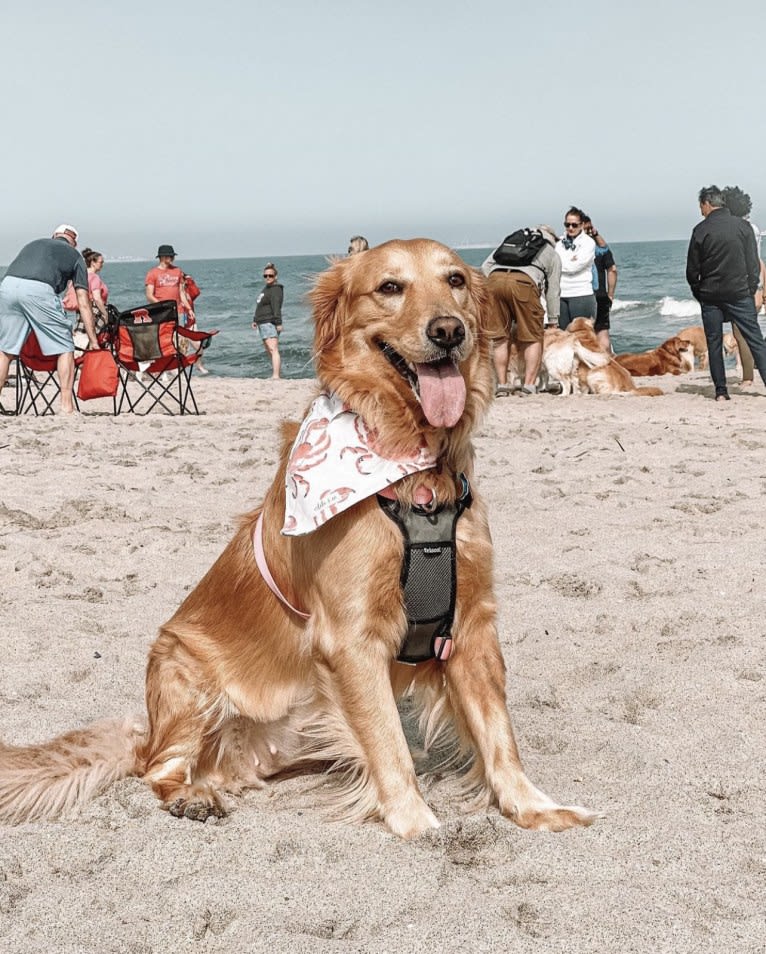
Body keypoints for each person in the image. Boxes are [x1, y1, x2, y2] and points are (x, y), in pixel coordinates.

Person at [0, 224, 99, 414]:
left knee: (5, 349)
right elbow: (83, 302)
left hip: (8, 286)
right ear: (74, 243)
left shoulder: (33, 244)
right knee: (65, 346)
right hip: (39, 290)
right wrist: (93, 340)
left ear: (54, 236)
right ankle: (66, 407)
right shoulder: (75, 256)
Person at [686, 185, 766, 402]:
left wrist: (700, 294)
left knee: (714, 342)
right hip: (739, 293)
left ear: (707, 204)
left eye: (701, 207)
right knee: (755, 339)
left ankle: (721, 391)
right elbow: (752, 264)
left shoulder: (700, 230)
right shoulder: (743, 227)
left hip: (711, 295)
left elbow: (692, 271)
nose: (701, 211)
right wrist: (749, 290)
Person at [481, 225, 561, 395]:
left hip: (494, 281)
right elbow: (553, 290)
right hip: (524, 284)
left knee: (500, 337)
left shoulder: (511, 242)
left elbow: (484, 267)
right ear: (553, 239)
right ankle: (529, 385)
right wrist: (553, 320)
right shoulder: (550, 252)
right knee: (532, 336)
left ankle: (502, 385)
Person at [721, 186, 766, 386]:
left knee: (744, 333)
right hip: (749, 286)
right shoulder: (748, 228)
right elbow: (759, 261)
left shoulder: (747, 229)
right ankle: (748, 374)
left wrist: (761, 289)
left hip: (747, 287)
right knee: (744, 333)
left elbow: (756, 261)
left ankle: (748, 376)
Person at [556, 207, 597, 329]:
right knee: (562, 336)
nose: (570, 228)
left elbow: (574, 267)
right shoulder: (559, 243)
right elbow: (552, 264)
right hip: (561, 294)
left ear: (582, 225)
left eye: (574, 225)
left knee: (582, 335)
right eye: (567, 224)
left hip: (581, 293)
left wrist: (560, 264)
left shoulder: (588, 243)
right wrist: (569, 260)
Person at [582, 215, 618, 352]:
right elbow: (613, 270)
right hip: (601, 295)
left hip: (581, 296)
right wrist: (610, 295)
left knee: (582, 334)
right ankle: (607, 365)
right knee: (602, 333)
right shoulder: (601, 250)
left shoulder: (572, 249)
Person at [145, 244, 194, 328]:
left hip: (179, 312)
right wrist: (163, 306)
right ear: (162, 257)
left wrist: (189, 309)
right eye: (170, 256)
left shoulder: (177, 271)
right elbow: (149, 295)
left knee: (180, 335)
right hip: (162, 312)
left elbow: (181, 293)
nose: (173, 258)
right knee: (164, 337)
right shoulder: (152, 273)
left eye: (173, 256)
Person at [252, 262, 284, 379]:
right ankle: (277, 372)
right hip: (262, 322)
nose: (268, 278)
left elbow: (276, 307)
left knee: (273, 349)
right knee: (269, 350)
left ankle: (276, 375)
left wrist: (278, 323)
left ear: (275, 277)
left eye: (270, 275)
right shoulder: (266, 289)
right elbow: (260, 306)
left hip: (269, 322)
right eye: (265, 276)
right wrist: (255, 320)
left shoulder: (275, 289)